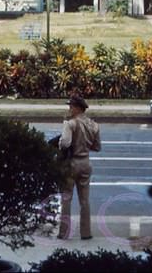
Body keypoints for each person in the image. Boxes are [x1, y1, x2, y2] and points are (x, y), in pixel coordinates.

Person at [57, 94, 101, 240]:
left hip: (72, 163)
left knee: (67, 198)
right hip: (86, 163)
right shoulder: (94, 125)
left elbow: (65, 143)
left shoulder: (70, 124)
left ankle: (64, 232)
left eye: (71, 106)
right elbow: (97, 147)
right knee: (84, 200)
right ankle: (86, 232)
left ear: (77, 108)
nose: (69, 109)